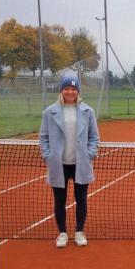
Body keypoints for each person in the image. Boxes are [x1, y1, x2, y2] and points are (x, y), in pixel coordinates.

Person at [39, 74, 100, 248]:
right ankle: (62, 234)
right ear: (61, 90)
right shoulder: (49, 112)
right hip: (59, 164)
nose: (70, 92)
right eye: (66, 88)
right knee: (59, 201)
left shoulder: (88, 111)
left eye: (73, 89)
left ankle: (79, 232)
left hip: (80, 163)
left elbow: (94, 137)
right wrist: (49, 155)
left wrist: (89, 154)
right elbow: (43, 137)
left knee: (81, 199)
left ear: (78, 91)